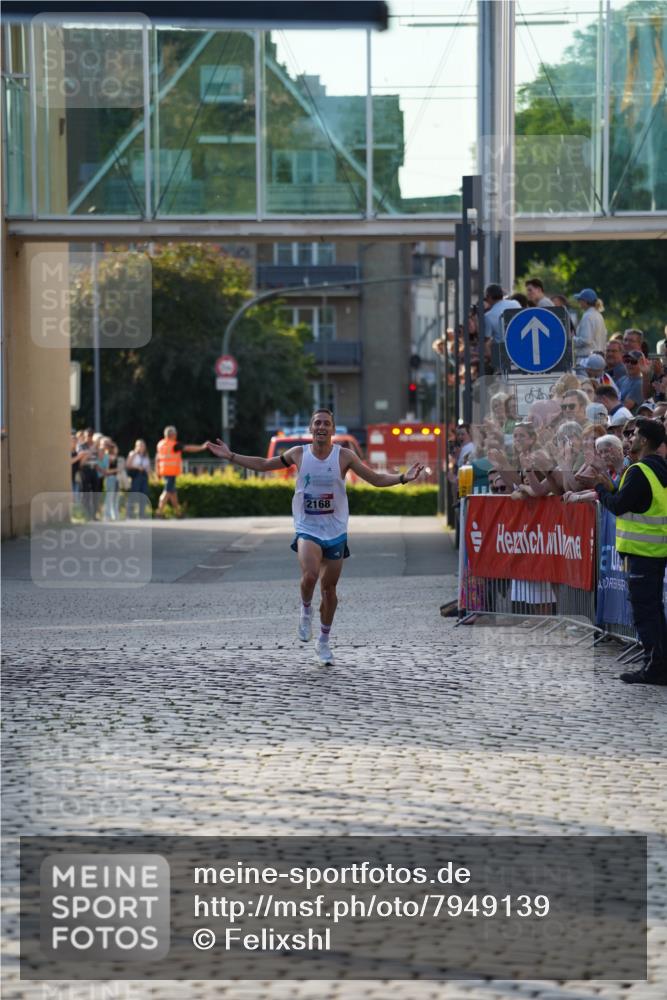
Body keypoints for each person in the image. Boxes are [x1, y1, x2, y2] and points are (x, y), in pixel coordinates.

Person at [205, 409, 424, 666]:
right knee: (310, 575)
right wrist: (231, 456)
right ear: (311, 428)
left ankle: (323, 641)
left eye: (326, 423)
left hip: (335, 530)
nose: (321, 427)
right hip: (307, 527)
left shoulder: (345, 456)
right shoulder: (299, 453)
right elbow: (265, 465)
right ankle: (306, 610)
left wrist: (402, 478)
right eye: (317, 423)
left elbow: (374, 479)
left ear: (332, 429)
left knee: (329, 590)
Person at [592, 419, 667, 685]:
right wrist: (612, 488)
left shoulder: (639, 471)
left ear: (644, 441)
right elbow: (636, 502)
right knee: (654, 611)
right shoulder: (661, 468)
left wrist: (601, 489)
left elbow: (619, 505)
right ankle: (658, 663)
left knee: (646, 613)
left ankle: (655, 667)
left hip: (642, 553)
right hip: (657, 551)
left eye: (634, 434)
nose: (630, 438)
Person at [155, 425, 208, 517]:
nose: (176, 435)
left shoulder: (160, 444)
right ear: (172, 435)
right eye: (175, 433)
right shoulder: (174, 445)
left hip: (164, 471)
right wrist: (202, 447)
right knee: (167, 492)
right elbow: (188, 448)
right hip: (171, 472)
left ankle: (178, 513)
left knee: (173, 493)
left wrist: (157, 472)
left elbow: (157, 459)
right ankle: (159, 512)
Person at [573, 288, 607, 366]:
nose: (579, 302)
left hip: (586, 360)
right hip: (599, 358)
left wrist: (571, 339)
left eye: (580, 300)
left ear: (585, 301)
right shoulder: (599, 315)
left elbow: (586, 340)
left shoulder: (588, 316)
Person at [126, 439, 152, 518]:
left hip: (144, 475)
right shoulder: (133, 454)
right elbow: (128, 465)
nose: (142, 447)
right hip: (136, 475)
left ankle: (142, 513)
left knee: (144, 494)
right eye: (140, 445)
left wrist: (148, 471)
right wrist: (137, 467)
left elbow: (148, 467)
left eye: (143, 445)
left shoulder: (145, 456)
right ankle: (130, 513)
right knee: (134, 494)